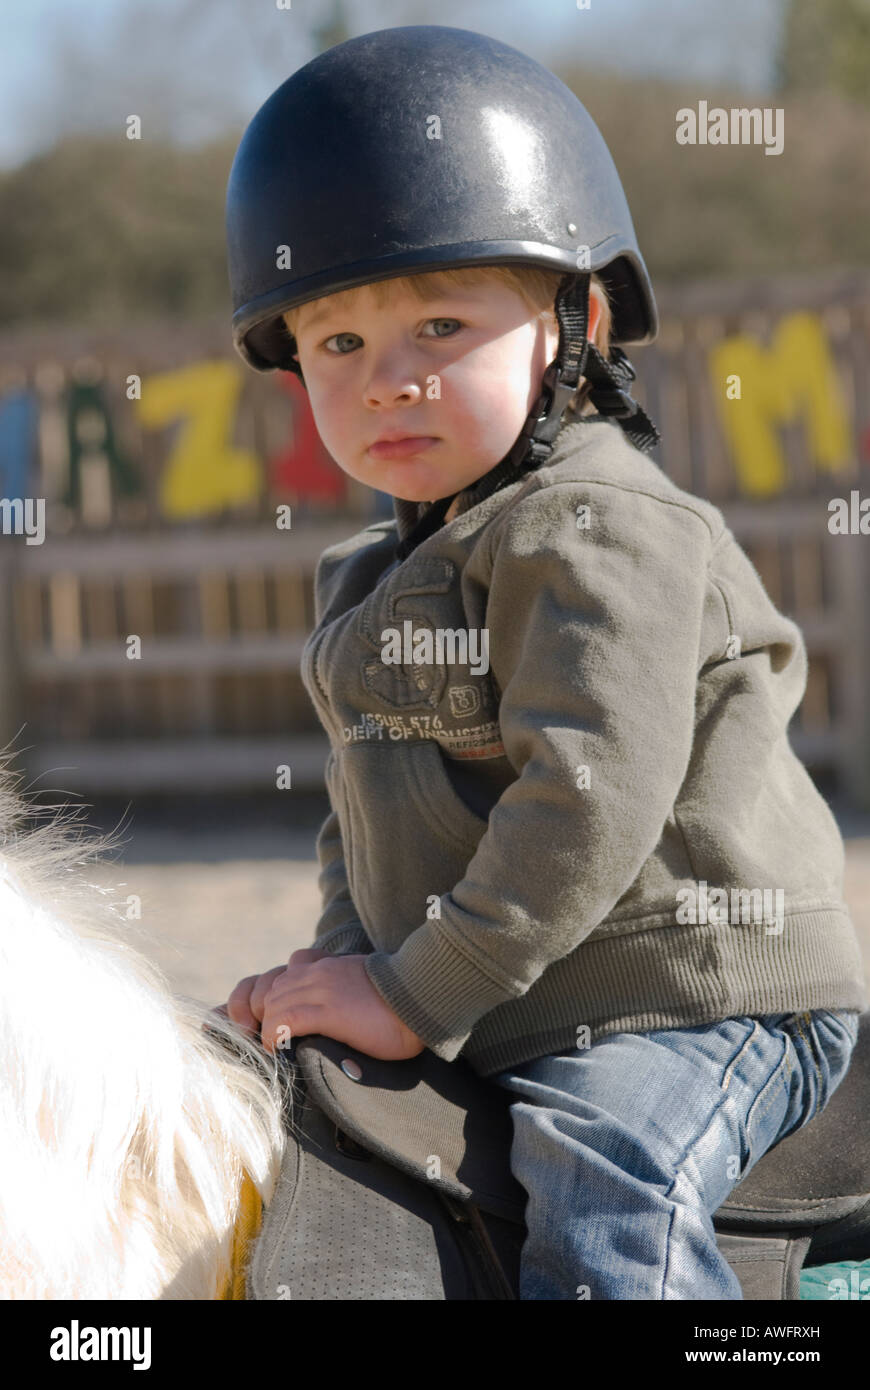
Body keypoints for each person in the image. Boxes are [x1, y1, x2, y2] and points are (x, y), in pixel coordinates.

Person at [221, 26, 867, 1299]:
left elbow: (590, 795)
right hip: (510, 988)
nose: (387, 382)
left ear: (578, 325)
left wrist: (409, 995)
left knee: (605, 1188)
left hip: (692, 990)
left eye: (441, 324)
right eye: (338, 345)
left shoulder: (602, 529)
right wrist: (343, 968)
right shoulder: (367, 581)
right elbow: (364, 819)